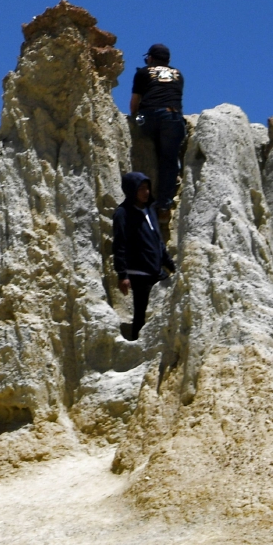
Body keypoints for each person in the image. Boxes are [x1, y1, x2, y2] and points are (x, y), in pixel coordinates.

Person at [112, 170, 175, 339]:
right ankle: (136, 345)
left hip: (156, 270)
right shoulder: (123, 213)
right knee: (141, 314)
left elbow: (158, 241)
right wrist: (122, 274)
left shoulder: (150, 209)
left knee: (168, 303)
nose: (145, 192)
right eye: (141, 189)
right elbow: (119, 245)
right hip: (139, 273)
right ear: (132, 190)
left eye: (147, 188)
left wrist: (171, 265)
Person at [129, 43, 186, 219]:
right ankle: (163, 205)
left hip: (148, 117)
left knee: (144, 146)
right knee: (169, 161)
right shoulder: (178, 75)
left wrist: (134, 119)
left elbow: (134, 103)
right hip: (172, 117)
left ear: (150, 58)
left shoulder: (143, 73)